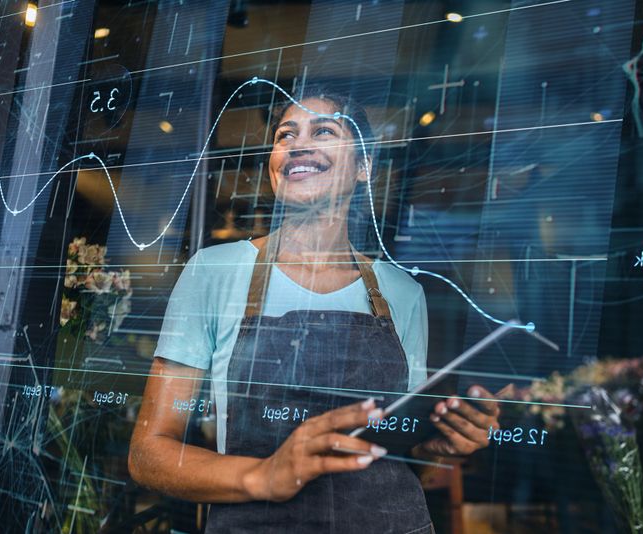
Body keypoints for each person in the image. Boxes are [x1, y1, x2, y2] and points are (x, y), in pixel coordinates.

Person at [128, 87, 501, 533]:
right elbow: (149, 452)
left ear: (364, 167)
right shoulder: (214, 272)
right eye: (286, 135)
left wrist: (443, 446)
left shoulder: (402, 293)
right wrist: (261, 476)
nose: (297, 145)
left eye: (324, 130)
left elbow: (406, 455)